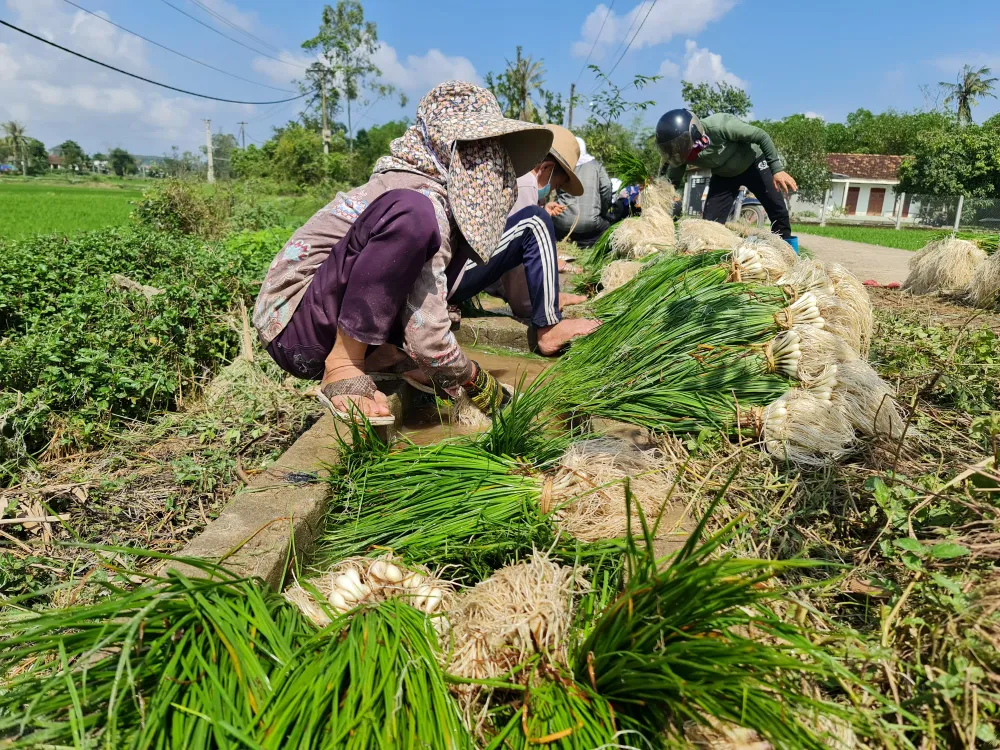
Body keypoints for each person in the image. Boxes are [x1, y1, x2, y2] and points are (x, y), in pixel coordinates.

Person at [253, 81, 554, 424]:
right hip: (297, 328)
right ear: (450, 147)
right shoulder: (416, 197)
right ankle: (343, 364)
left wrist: (440, 365)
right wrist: (472, 377)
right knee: (412, 215)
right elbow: (428, 334)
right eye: (476, 149)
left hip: (323, 321)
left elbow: (424, 302)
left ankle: (384, 355)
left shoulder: (438, 195)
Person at [449, 125, 601, 355]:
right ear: (546, 168)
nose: (552, 191)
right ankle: (550, 328)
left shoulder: (506, 173)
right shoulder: (526, 183)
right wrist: (538, 305)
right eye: (556, 185)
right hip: (452, 278)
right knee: (536, 221)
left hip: (448, 273)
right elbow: (516, 275)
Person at [657, 109, 798, 239]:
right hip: (723, 176)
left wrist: (777, 169)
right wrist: (665, 196)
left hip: (753, 164)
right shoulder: (680, 154)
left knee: (777, 209)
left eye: (681, 148)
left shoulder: (720, 126)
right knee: (710, 224)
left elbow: (761, 136)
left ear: (695, 133)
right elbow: (672, 183)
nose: (680, 154)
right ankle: (712, 256)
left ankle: (786, 249)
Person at [550, 137, 613, 248]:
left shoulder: (563, 165)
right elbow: (606, 187)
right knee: (607, 226)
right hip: (590, 224)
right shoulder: (597, 167)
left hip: (561, 223)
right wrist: (602, 212)